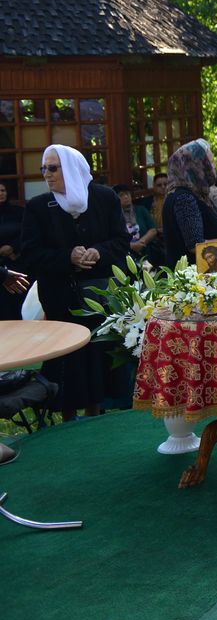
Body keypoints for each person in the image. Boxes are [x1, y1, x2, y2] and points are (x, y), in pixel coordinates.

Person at [19, 145, 131, 418]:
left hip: (100, 296)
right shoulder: (38, 207)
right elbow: (30, 256)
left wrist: (98, 252)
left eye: (53, 168)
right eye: (43, 168)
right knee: (67, 361)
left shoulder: (104, 198)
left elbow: (121, 242)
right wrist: (68, 257)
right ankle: (67, 415)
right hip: (61, 298)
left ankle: (98, 412)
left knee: (96, 356)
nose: (47, 174)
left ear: (71, 168)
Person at [162, 140, 217, 268]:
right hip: (196, 282)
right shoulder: (185, 198)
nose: (214, 167)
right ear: (196, 166)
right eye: (210, 162)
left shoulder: (196, 194)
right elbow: (195, 246)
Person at [112, 183, 159, 263]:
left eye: (127, 194)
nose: (126, 197)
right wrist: (131, 246)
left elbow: (153, 230)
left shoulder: (141, 210)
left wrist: (141, 242)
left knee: (150, 274)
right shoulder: (114, 216)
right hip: (125, 257)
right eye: (121, 195)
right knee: (130, 274)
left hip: (145, 254)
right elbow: (113, 238)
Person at [0, 179, 25, 319]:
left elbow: (27, 234)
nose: (0, 194)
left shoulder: (18, 212)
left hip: (16, 262)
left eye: (3, 190)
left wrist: (13, 247)